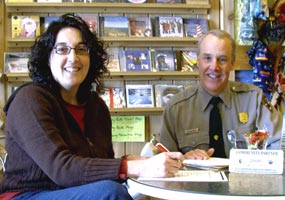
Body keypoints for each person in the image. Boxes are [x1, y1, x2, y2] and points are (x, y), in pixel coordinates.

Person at [0, 13, 184, 200]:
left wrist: (132, 162)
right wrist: (134, 167)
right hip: (27, 194)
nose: (73, 58)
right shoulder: (30, 99)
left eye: (81, 49)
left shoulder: (96, 106)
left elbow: (96, 168)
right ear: (48, 58)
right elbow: (62, 169)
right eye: (62, 49)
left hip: (75, 192)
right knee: (110, 193)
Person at [159, 29, 283, 160]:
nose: (214, 67)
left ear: (232, 63)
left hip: (246, 179)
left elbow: (280, 146)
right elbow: (164, 162)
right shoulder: (176, 109)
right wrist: (183, 159)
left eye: (222, 59)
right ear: (198, 61)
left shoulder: (254, 100)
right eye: (207, 58)